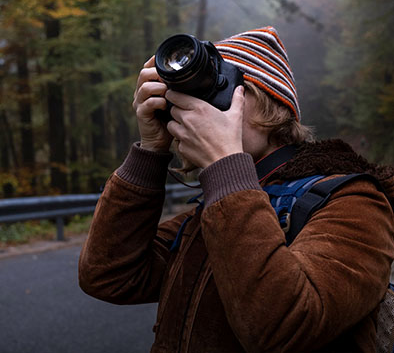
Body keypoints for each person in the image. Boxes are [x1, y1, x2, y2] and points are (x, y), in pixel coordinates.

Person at [78, 27, 394, 352]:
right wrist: (151, 150)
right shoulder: (213, 211)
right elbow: (108, 276)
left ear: (273, 104)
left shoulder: (355, 202)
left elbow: (282, 329)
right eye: (188, 99)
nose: (196, 111)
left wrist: (224, 166)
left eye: (216, 92)